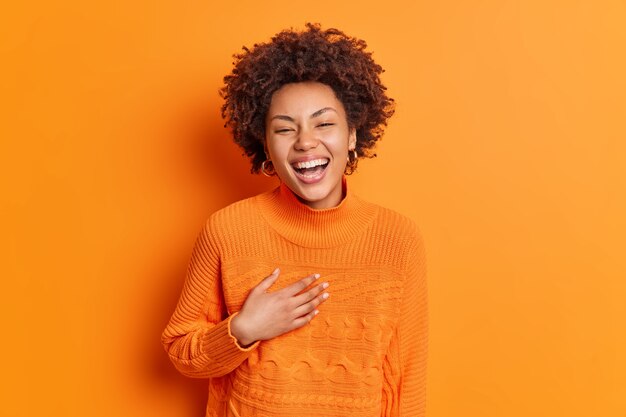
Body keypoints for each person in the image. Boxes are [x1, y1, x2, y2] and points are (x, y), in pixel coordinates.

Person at [161, 23, 428, 417]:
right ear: (264, 145)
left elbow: (407, 380)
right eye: (285, 129)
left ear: (353, 135)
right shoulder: (228, 230)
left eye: (324, 124)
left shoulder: (397, 238)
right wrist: (244, 330)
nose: (305, 141)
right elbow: (181, 353)